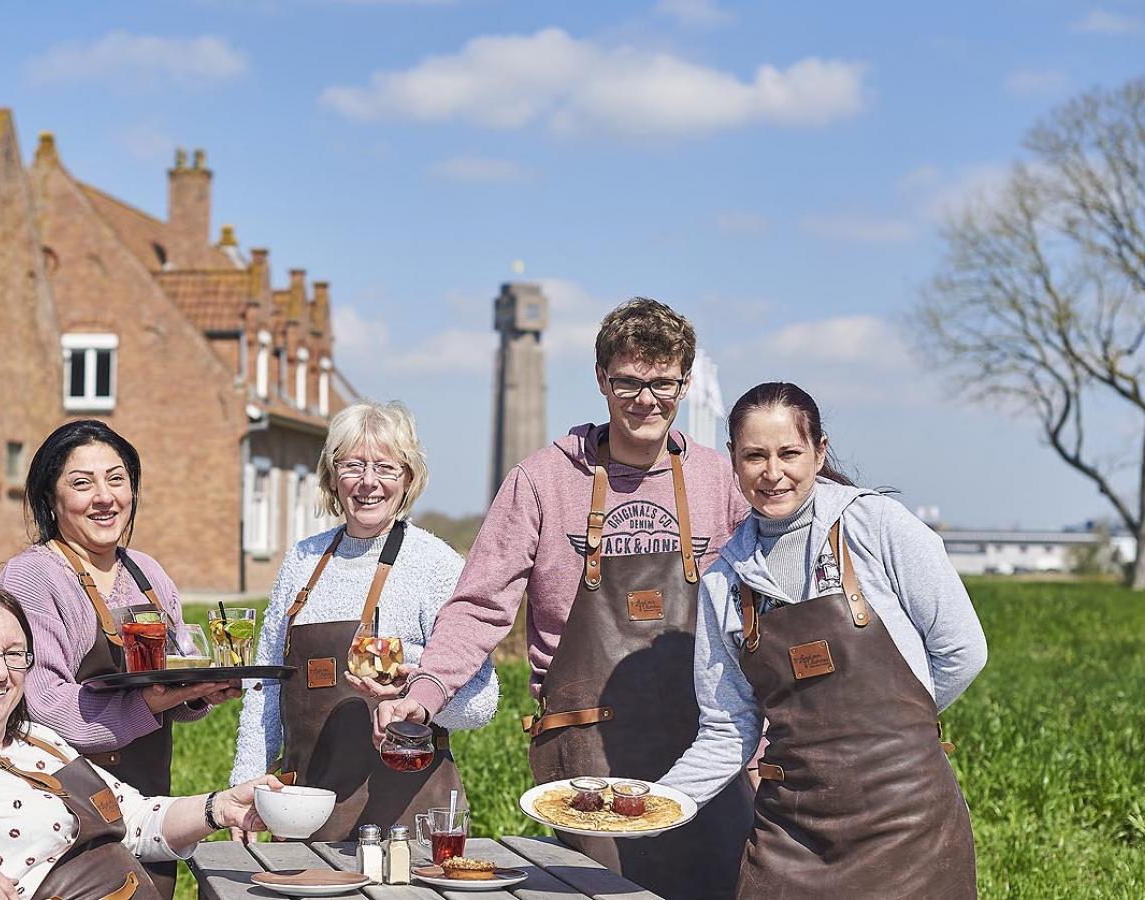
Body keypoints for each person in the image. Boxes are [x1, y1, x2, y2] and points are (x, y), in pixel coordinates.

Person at [375, 298, 754, 898]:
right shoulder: (543, 479)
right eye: (628, 381)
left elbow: (763, 606)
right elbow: (480, 604)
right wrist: (424, 693)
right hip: (584, 744)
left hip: (703, 740)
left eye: (662, 382)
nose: (646, 398)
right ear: (602, 379)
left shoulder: (719, 479)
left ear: (683, 382)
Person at [662, 382, 988, 897]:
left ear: (819, 451)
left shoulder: (876, 526)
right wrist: (660, 802)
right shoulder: (724, 581)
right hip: (794, 832)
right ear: (733, 460)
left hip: (909, 821)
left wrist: (893, 732)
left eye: (789, 453)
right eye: (754, 456)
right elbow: (728, 727)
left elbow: (962, 650)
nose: (773, 473)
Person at [0, 579, 281, 900]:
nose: (0, 672)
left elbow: (138, 819)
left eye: (14, 655)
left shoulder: (37, 741)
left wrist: (220, 807)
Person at [228, 401, 499, 841]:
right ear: (332, 476)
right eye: (353, 465)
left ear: (408, 478)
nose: (368, 482)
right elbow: (264, 687)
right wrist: (246, 789)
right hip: (302, 815)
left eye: (386, 468)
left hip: (408, 817)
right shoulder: (302, 561)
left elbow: (482, 702)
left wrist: (417, 681)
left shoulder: (436, 565)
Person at [0, 419, 240, 900]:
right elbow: (42, 703)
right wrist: (147, 706)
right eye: (82, 483)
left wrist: (201, 692)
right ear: (50, 497)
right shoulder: (34, 577)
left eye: (117, 479)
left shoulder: (146, 571)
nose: (104, 497)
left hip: (149, 799)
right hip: (65, 806)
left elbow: (180, 664)